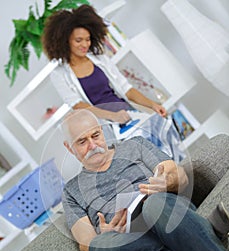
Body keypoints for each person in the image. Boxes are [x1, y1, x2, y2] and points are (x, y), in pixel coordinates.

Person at [61, 109, 229, 251]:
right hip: (128, 240)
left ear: (102, 131)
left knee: (154, 204)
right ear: (69, 148)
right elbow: (86, 244)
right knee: (99, 247)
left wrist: (166, 182)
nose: (93, 145)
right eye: (82, 142)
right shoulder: (72, 191)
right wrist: (107, 233)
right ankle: (202, 229)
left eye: (95, 135)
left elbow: (179, 175)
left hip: (162, 211)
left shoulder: (135, 146)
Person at [42, 4, 184, 162]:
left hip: (127, 114)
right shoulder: (59, 75)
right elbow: (79, 105)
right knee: (143, 160)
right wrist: (113, 116)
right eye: (79, 40)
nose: (85, 44)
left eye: (88, 39)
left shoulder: (100, 59)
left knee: (164, 144)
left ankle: (183, 175)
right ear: (65, 41)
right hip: (106, 125)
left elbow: (126, 88)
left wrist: (152, 105)